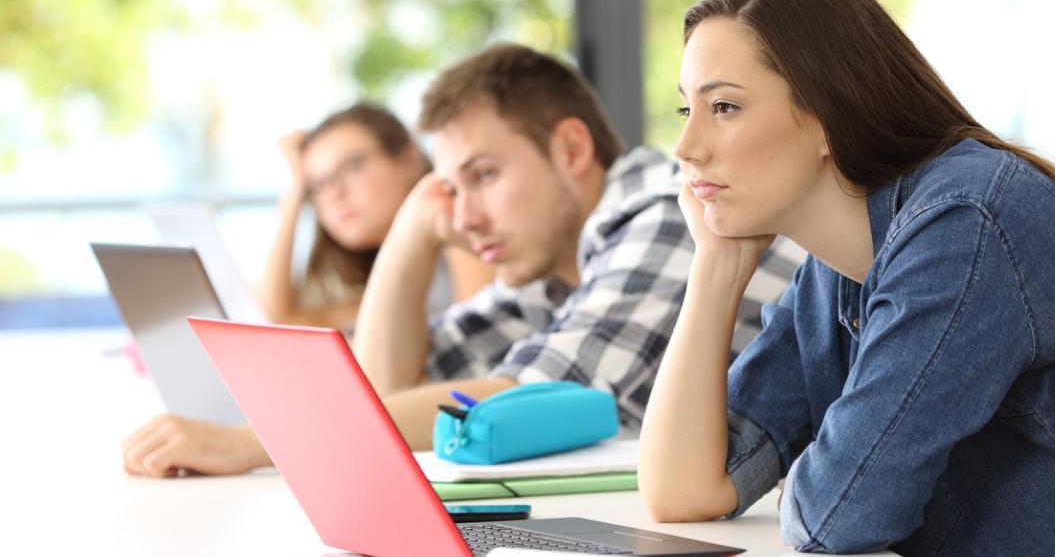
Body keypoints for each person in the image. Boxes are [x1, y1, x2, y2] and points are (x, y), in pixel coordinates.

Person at [639, 0, 1055, 555]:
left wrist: (813, 484)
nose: (685, 146)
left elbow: (835, 519)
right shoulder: (836, 270)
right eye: (687, 108)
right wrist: (716, 269)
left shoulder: (964, 224)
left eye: (724, 106)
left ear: (830, 115)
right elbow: (683, 490)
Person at [120, 44, 804, 477]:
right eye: (450, 187)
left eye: (482, 176)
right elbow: (385, 389)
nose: (464, 216)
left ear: (570, 151)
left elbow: (524, 398)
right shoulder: (551, 275)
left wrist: (255, 442)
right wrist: (414, 233)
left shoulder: (666, 217)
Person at [259, 102, 492, 330]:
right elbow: (277, 319)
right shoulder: (388, 278)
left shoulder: (458, 227)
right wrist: (295, 192)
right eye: (318, 186)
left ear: (408, 159)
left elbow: (474, 341)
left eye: (351, 167)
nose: (334, 195)